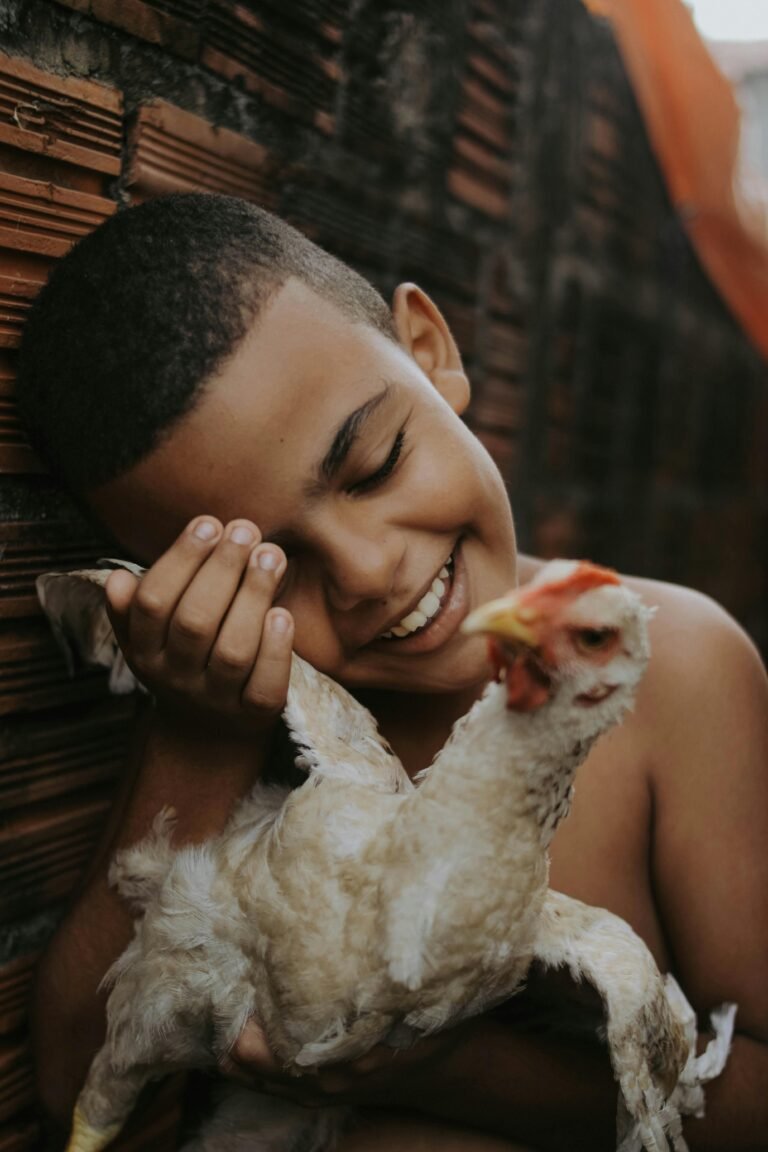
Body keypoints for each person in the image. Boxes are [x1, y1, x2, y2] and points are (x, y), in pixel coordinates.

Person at [18, 193, 768, 1152]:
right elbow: (76, 1095)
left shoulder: (674, 671)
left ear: (429, 347)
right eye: (271, 569)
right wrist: (198, 740)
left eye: (373, 465)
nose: (371, 572)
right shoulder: (235, 715)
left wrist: (447, 1069)